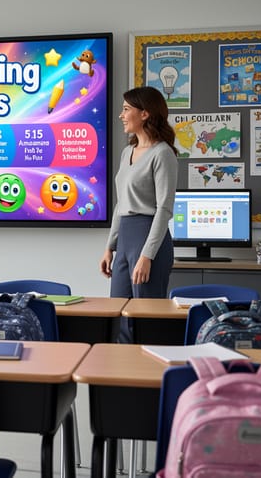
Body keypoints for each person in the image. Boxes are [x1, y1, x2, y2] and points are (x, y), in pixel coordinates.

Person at [100, 86, 178, 341]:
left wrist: (147, 255)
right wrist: (110, 246)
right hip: (125, 240)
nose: (121, 115)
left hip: (148, 240)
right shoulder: (127, 153)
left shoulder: (163, 153)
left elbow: (164, 209)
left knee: (145, 320)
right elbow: (121, 204)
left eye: (126, 109)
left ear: (144, 113)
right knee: (118, 314)